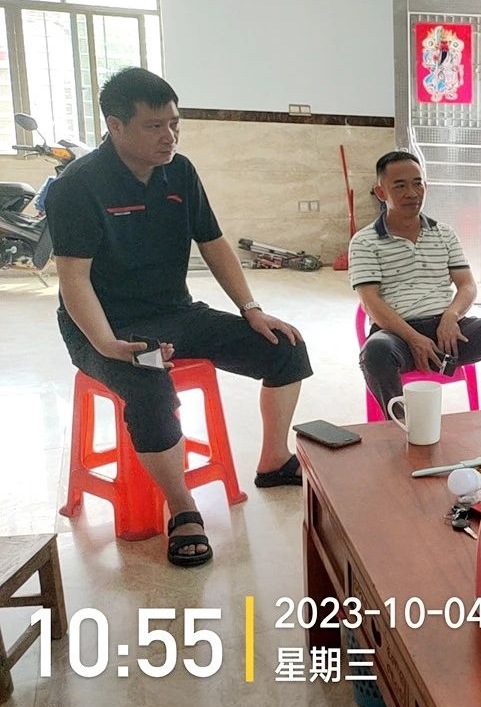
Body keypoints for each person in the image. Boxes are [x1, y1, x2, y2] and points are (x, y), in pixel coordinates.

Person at [46, 67, 312, 568]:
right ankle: (183, 507)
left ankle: (274, 460)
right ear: (115, 126)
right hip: (106, 325)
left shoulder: (180, 172)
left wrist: (252, 310)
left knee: (285, 348)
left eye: (174, 123)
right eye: (154, 126)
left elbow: (213, 243)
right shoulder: (77, 187)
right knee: (150, 389)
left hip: (176, 312)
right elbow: (74, 279)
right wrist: (105, 344)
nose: (169, 136)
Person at [351, 151, 481, 418]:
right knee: (375, 352)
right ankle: (403, 428)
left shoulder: (444, 234)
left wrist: (451, 316)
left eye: (417, 183)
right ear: (381, 192)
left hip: (447, 332)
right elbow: (371, 303)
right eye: (400, 186)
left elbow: (467, 285)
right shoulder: (364, 242)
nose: (412, 193)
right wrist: (414, 338)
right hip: (397, 335)